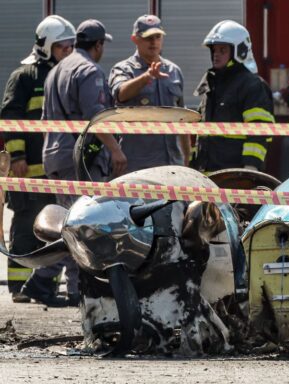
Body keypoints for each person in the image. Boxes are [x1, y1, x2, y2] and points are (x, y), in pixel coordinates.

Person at [37, 19, 125, 306]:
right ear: (98, 45)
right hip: (78, 159)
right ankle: (78, 290)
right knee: (83, 226)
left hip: (54, 154)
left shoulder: (56, 71)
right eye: (103, 45)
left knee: (67, 224)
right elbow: (95, 117)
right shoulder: (89, 71)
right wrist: (115, 150)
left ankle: (41, 281)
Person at [0, 15, 75, 305]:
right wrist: (17, 154)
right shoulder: (24, 76)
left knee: (53, 228)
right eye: (61, 47)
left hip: (53, 172)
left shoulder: (64, 74)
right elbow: (9, 117)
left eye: (69, 47)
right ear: (45, 46)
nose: (66, 52)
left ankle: (46, 285)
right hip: (26, 169)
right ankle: (19, 286)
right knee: (24, 225)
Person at [109, 14, 190, 173]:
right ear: (135, 39)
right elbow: (120, 94)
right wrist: (147, 77)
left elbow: (183, 118)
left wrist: (186, 157)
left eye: (157, 37)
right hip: (137, 167)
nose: (154, 42)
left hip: (172, 164)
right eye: (148, 37)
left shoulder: (174, 71)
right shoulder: (123, 69)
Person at [192, 20, 275, 173]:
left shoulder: (252, 86)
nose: (216, 55)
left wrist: (250, 167)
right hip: (205, 176)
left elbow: (259, 130)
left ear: (240, 51)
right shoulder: (211, 84)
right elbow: (200, 130)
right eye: (214, 50)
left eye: (222, 50)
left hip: (235, 177)